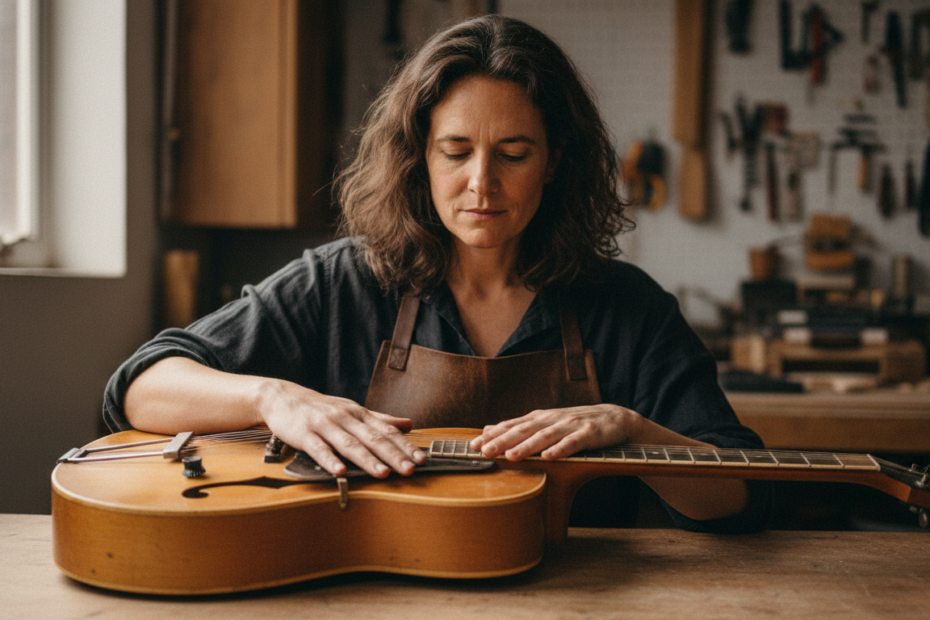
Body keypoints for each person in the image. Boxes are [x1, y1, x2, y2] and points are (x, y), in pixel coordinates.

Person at [105, 15, 769, 532]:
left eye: (513, 153)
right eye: (455, 151)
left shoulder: (628, 307)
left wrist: (634, 430)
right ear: (418, 156)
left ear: (554, 161)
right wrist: (272, 398)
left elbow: (737, 498)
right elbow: (140, 386)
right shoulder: (343, 283)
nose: (482, 182)